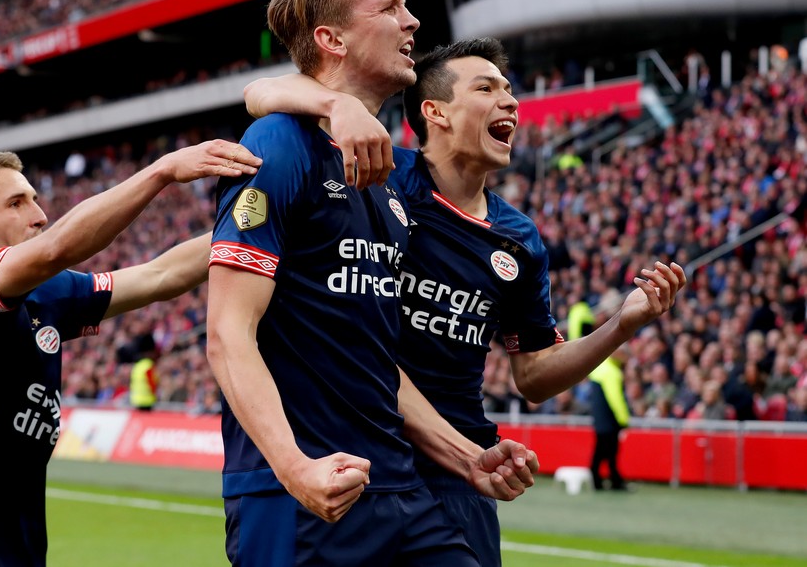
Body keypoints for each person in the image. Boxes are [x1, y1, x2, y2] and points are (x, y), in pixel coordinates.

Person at [244, 36, 687, 564]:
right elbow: (261, 93)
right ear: (436, 112)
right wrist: (339, 105)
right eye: (486, 88)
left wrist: (621, 324)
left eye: (509, 89)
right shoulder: (379, 178)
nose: (510, 101)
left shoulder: (519, 238)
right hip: (365, 454)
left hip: (461, 471)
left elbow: (534, 375)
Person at [206, 0, 537, 567]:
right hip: (304, 492)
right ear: (332, 39)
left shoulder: (385, 182)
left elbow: (376, 359)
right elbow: (228, 333)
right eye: (389, 9)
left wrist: (466, 457)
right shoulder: (280, 143)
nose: (412, 21)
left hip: (399, 485)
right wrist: (294, 468)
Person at [0, 142, 262, 567]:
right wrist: (161, 171)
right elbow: (57, 248)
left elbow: (161, 275)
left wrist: (262, 227)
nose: (39, 214)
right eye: (16, 203)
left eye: (34, 198)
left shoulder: (42, 294)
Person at [588, 347, 630, 491]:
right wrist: (623, 419)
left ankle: (600, 479)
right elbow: (615, 399)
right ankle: (614, 481)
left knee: (600, 451)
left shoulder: (599, 368)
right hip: (610, 421)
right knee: (610, 451)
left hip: (600, 420)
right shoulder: (612, 372)